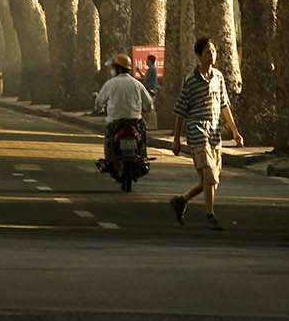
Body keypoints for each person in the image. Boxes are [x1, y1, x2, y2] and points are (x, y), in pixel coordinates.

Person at [169, 37, 243, 230]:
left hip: (215, 133)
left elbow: (224, 105)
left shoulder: (218, 77)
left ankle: (181, 200)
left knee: (210, 181)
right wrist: (176, 140)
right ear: (198, 56)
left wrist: (235, 132)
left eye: (213, 51)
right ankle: (210, 215)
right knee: (210, 175)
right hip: (197, 131)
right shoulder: (191, 80)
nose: (211, 55)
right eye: (207, 52)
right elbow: (180, 111)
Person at [93, 53, 153, 169]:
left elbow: (99, 101)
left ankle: (109, 160)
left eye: (114, 67)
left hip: (116, 122)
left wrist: (98, 108)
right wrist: (146, 108)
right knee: (143, 134)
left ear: (118, 68)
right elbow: (149, 104)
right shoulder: (137, 84)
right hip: (135, 121)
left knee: (109, 137)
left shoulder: (110, 84)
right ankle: (143, 157)